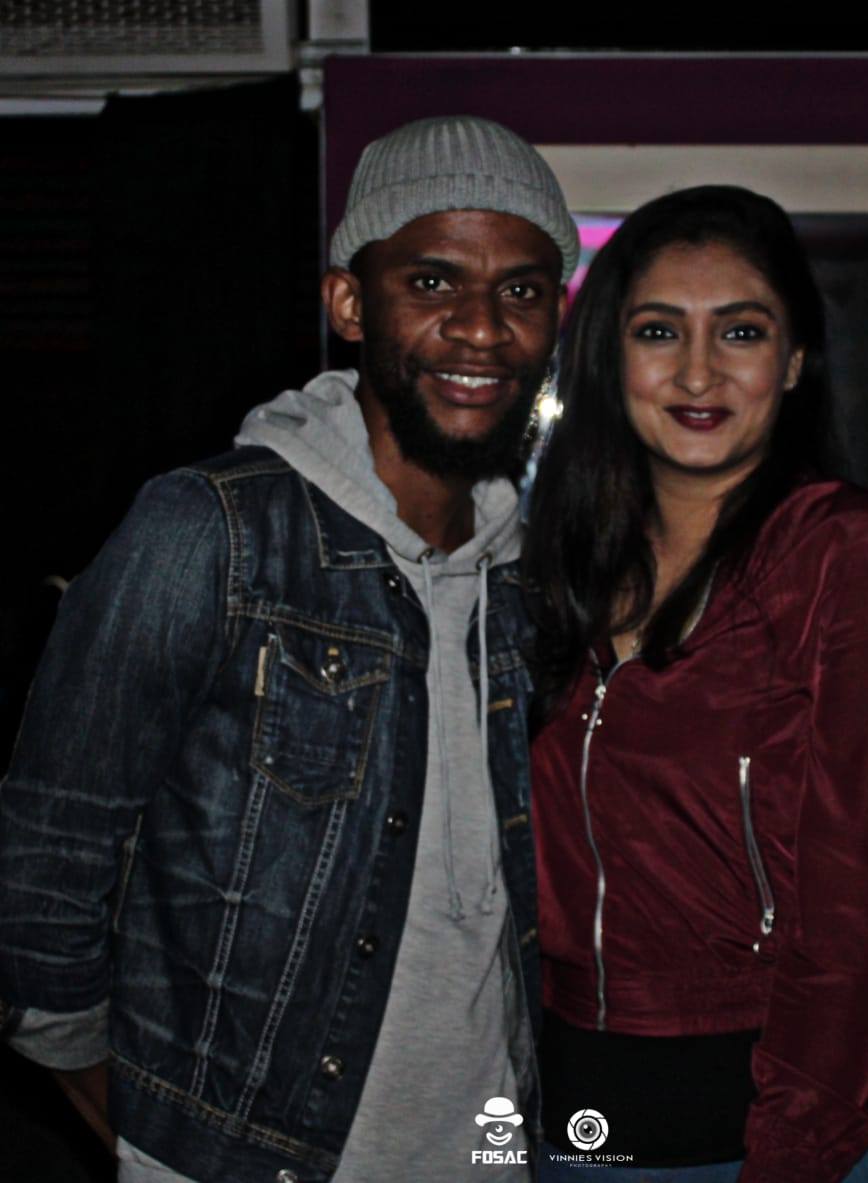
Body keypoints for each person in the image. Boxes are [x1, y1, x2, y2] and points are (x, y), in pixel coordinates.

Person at [0, 114, 578, 1183]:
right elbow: (51, 838)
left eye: (523, 290)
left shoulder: (533, 572)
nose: (481, 327)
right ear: (351, 304)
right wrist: (130, 1117)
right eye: (433, 282)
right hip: (242, 1155)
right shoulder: (211, 529)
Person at [524, 185, 868, 1182]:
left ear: (794, 360)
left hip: (777, 1124)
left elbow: (860, 918)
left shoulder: (858, 559)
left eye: (740, 331)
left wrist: (797, 1145)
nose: (697, 371)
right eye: (657, 330)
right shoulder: (557, 567)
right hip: (571, 1113)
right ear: (608, 357)